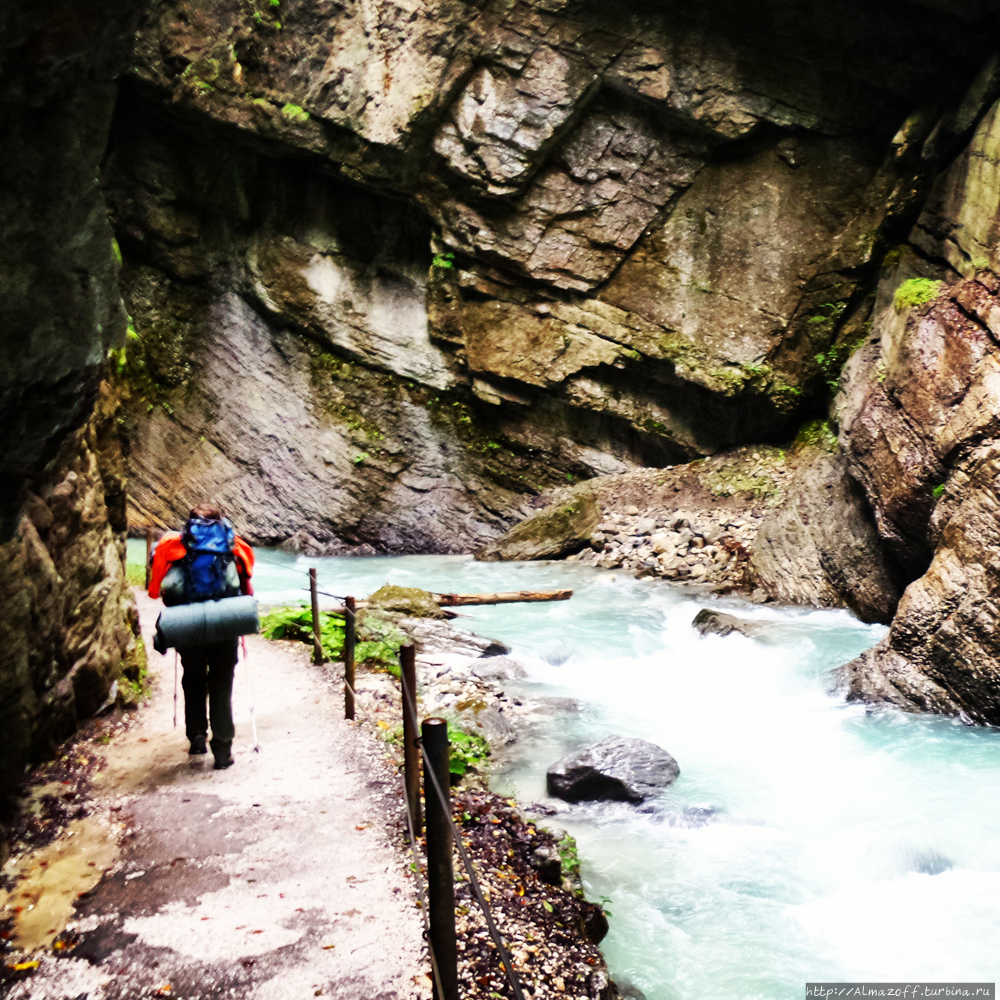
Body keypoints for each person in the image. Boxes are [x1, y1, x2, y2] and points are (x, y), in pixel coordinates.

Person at [148, 503, 255, 770]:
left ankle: (196, 737)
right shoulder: (235, 546)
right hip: (224, 622)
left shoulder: (172, 545)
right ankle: (222, 751)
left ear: (189, 525)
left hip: (189, 624)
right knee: (222, 684)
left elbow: (154, 590)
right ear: (222, 523)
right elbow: (247, 589)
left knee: (194, 678)